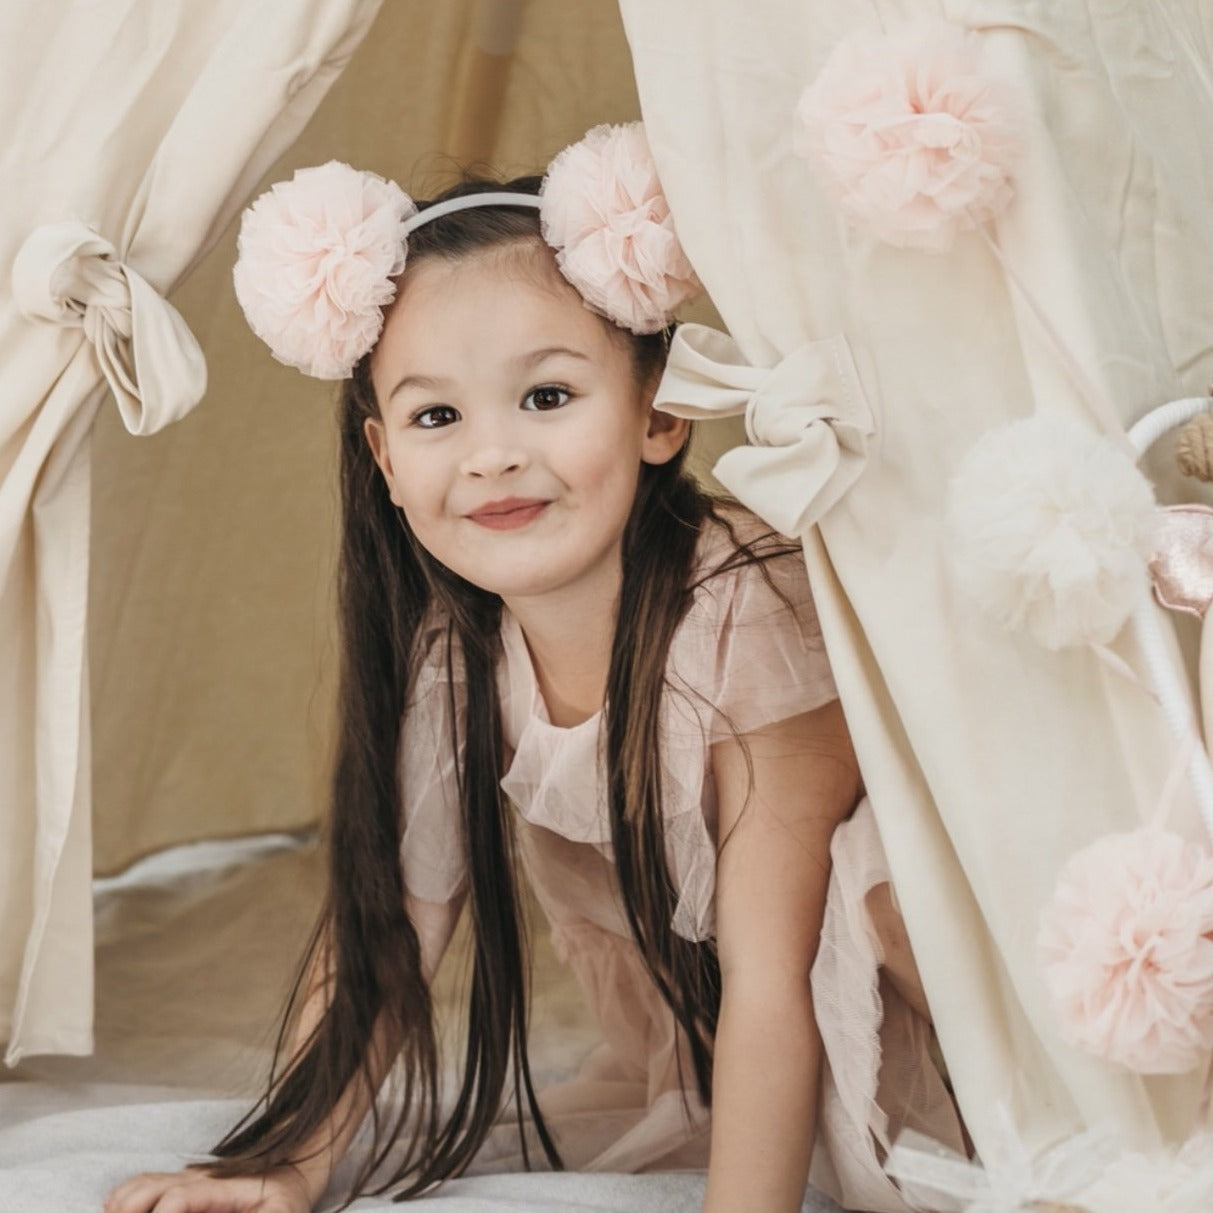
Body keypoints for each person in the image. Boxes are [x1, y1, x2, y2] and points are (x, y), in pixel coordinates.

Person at [106, 124, 963, 1213]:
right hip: (730, 1039)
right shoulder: (456, 663)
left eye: (547, 397)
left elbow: (773, 973)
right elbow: (386, 937)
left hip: (908, 1010)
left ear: (658, 412)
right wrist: (286, 1167)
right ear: (384, 461)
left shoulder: (742, 609)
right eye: (435, 415)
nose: (492, 453)